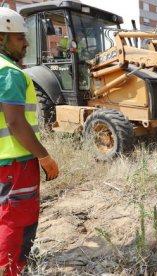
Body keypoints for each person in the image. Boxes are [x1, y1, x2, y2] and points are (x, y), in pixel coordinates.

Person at [0, 8, 59, 275]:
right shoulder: (9, 73)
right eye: (19, 38)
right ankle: (11, 269)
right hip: (16, 162)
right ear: (2, 38)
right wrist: (44, 157)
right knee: (16, 222)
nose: (26, 43)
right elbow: (16, 123)